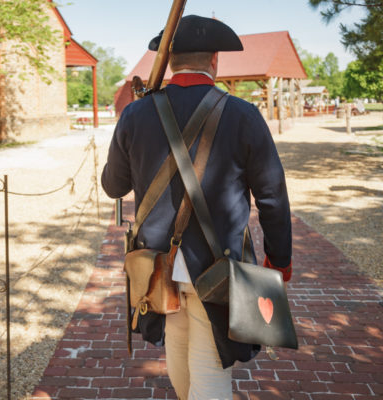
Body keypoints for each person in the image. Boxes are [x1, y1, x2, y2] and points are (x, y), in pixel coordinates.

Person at [101, 15, 293, 400]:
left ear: (169, 61)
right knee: (208, 364)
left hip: (158, 263)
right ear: (215, 61)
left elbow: (113, 186)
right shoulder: (244, 114)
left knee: (178, 341)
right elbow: (271, 196)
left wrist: (135, 127)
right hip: (218, 262)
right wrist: (279, 258)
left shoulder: (136, 113)